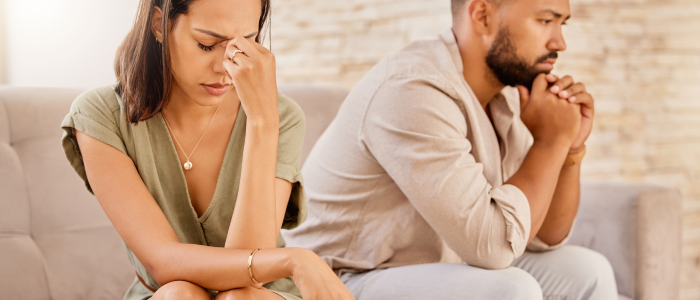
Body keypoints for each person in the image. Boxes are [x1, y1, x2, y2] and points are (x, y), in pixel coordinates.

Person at [282, 0, 618, 299]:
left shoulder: (511, 94)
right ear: (482, 16)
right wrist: (550, 141)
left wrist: (569, 149)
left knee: (589, 270)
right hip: (339, 281)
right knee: (511, 289)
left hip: (433, 267)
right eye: (546, 21)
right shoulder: (412, 88)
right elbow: (495, 246)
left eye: (563, 23)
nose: (559, 42)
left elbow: (542, 235)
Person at [60, 0, 354, 299]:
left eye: (245, 44)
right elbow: (164, 262)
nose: (225, 66)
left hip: (260, 296)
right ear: (158, 24)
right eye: (206, 45)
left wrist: (262, 122)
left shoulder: (282, 116)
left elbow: (247, 284)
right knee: (180, 294)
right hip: (168, 294)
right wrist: (295, 259)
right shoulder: (102, 115)